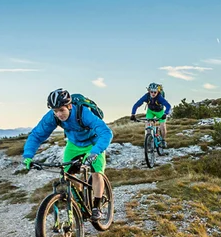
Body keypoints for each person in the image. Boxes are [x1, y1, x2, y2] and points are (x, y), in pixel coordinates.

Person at [22, 88, 113, 220]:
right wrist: (28, 156)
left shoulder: (83, 113)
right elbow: (37, 135)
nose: (59, 114)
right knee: (68, 175)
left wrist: (95, 152)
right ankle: (81, 203)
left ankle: (96, 207)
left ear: (69, 106)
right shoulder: (52, 116)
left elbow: (106, 132)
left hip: (93, 143)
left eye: (61, 110)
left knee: (97, 173)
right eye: (55, 111)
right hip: (74, 144)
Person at [130, 83, 171, 147]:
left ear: (158, 91)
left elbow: (168, 106)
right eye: (151, 92)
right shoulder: (146, 96)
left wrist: (165, 113)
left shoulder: (160, 97)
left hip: (160, 112)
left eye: (155, 92)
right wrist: (133, 114)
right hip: (150, 111)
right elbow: (137, 104)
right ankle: (148, 140)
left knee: (162, 126)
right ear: (149, 91)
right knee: (147, 125)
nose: (153, 93)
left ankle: (163, 140)